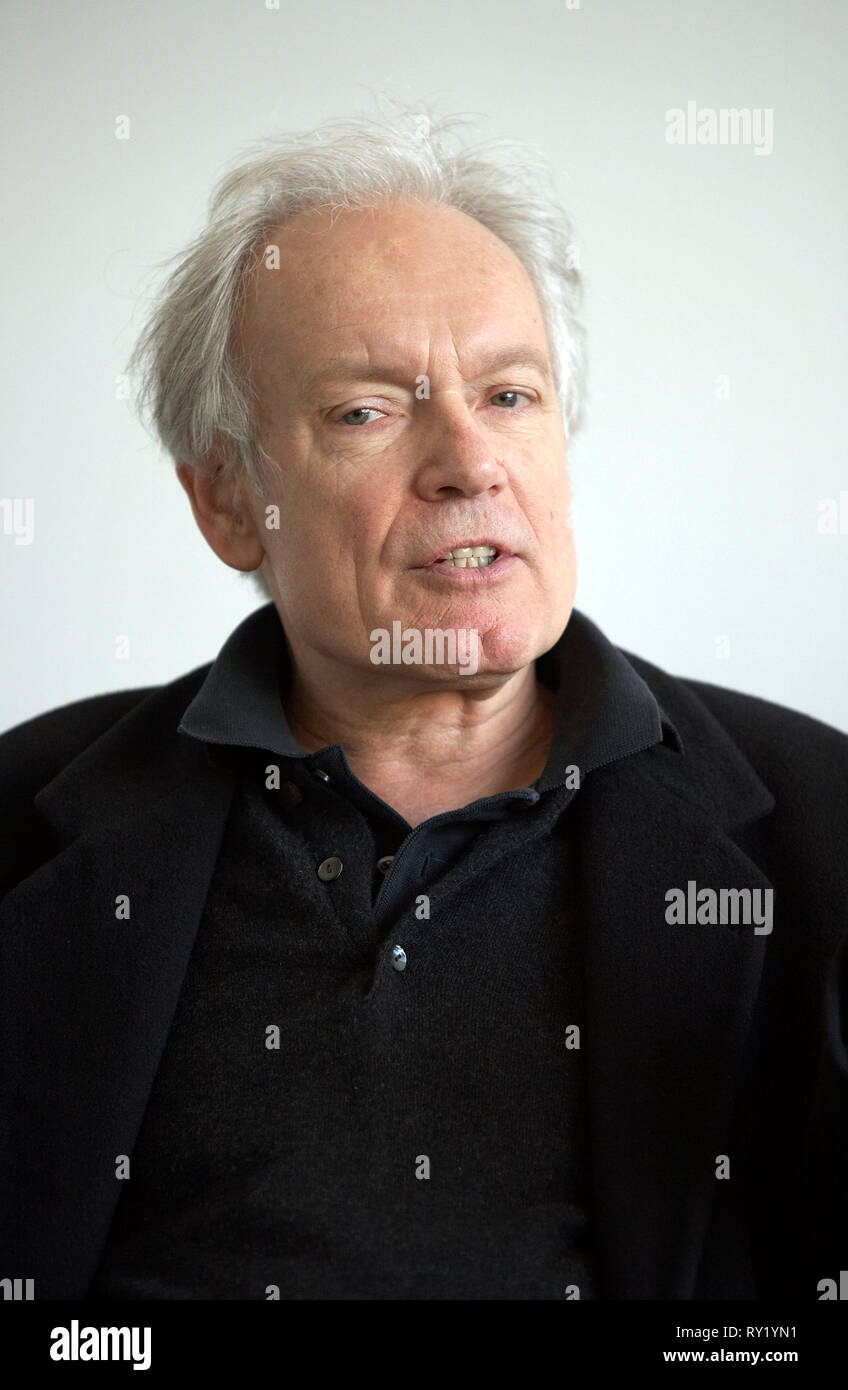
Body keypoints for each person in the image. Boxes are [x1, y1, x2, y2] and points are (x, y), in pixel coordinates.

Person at [1, 109, 846, 1302]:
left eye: (509, 395)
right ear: (230, 503)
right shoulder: (24, 816)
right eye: (366, 411)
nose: (467, 461)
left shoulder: (821, 826)